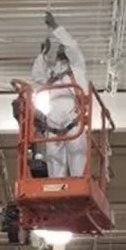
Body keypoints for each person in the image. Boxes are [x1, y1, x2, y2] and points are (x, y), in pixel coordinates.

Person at [31, 11, 88, 177]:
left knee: (77, 161)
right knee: (55, 169)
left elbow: (72, 47)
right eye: (60, 48)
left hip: (73, 122)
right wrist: (42, 54)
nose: (62, 48)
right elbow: (37, 76)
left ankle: (79, 185)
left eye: (63, 47)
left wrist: (55, 27)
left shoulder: (77, 68)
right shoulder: (51, 75)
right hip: (52, 125)